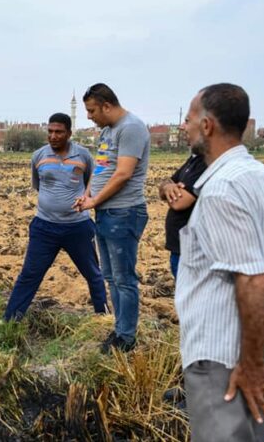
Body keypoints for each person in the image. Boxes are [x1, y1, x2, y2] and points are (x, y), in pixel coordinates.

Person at [175, 83, 264, 441]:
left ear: (207, 126)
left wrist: (250, 365)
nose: (184, 127)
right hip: (243, 351)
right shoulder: (263, 179)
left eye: (189, 119)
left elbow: (253, 279)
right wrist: (254, 356)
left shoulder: (221, 190)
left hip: (221, 359)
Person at [2, 113, 107, 321]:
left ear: (69, 133)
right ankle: (9, 321)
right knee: (29, 275)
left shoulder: (83, 155)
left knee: (93, 274)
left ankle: (103, 320)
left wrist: (83, 199)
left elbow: (91, 183)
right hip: (44, 227)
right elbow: (38, 186)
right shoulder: (38, 156)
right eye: (50, 131)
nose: (53, 136)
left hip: (78, 227)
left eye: (59, 132)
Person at [75, 83, 150, 354]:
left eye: (92, 110)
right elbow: (103, 169)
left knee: (123, 278)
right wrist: (87, 195)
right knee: (110, 276)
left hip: (124, 212)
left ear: (107, 105)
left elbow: (123, 174)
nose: (89, 116)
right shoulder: (108, 130)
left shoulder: (131, 128)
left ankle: (126, 337)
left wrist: (94, 200)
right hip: (106, 211)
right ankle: (120, 329)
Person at [158, 140, 207, 280]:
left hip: (190, 252)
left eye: (187, 122)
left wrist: (168, 188)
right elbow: (165, 185)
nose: (182, 127)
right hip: (180, 248)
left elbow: (179, 202)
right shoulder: (193, 160)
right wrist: (167, 187)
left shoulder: (204, 163)